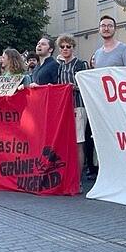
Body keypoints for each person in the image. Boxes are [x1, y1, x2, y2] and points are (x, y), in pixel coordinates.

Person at [55, 33, 90, 183]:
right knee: (66, 142)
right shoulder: (60, 66)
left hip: (78, 105)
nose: (65, 49)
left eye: (68, 46)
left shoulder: (79, 64)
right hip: (64, 108)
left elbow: (85, 85)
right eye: (62, 47)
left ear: (73, 48)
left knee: (78, 142)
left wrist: (72, 87)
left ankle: (77, 178)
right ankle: (67, 175)